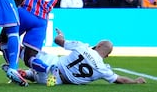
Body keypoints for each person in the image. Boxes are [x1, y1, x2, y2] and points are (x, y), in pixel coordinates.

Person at [18, 28, 146, 86]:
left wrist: (61, 34)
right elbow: (120, 80)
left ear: (99, 44)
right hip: (55, 82)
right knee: (40, 73)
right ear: (107, 55)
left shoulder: (82, 47)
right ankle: (29, 74)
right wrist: (136, 81)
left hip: (54, 65)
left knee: (25, 52)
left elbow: (58, 40)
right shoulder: (103, 69)